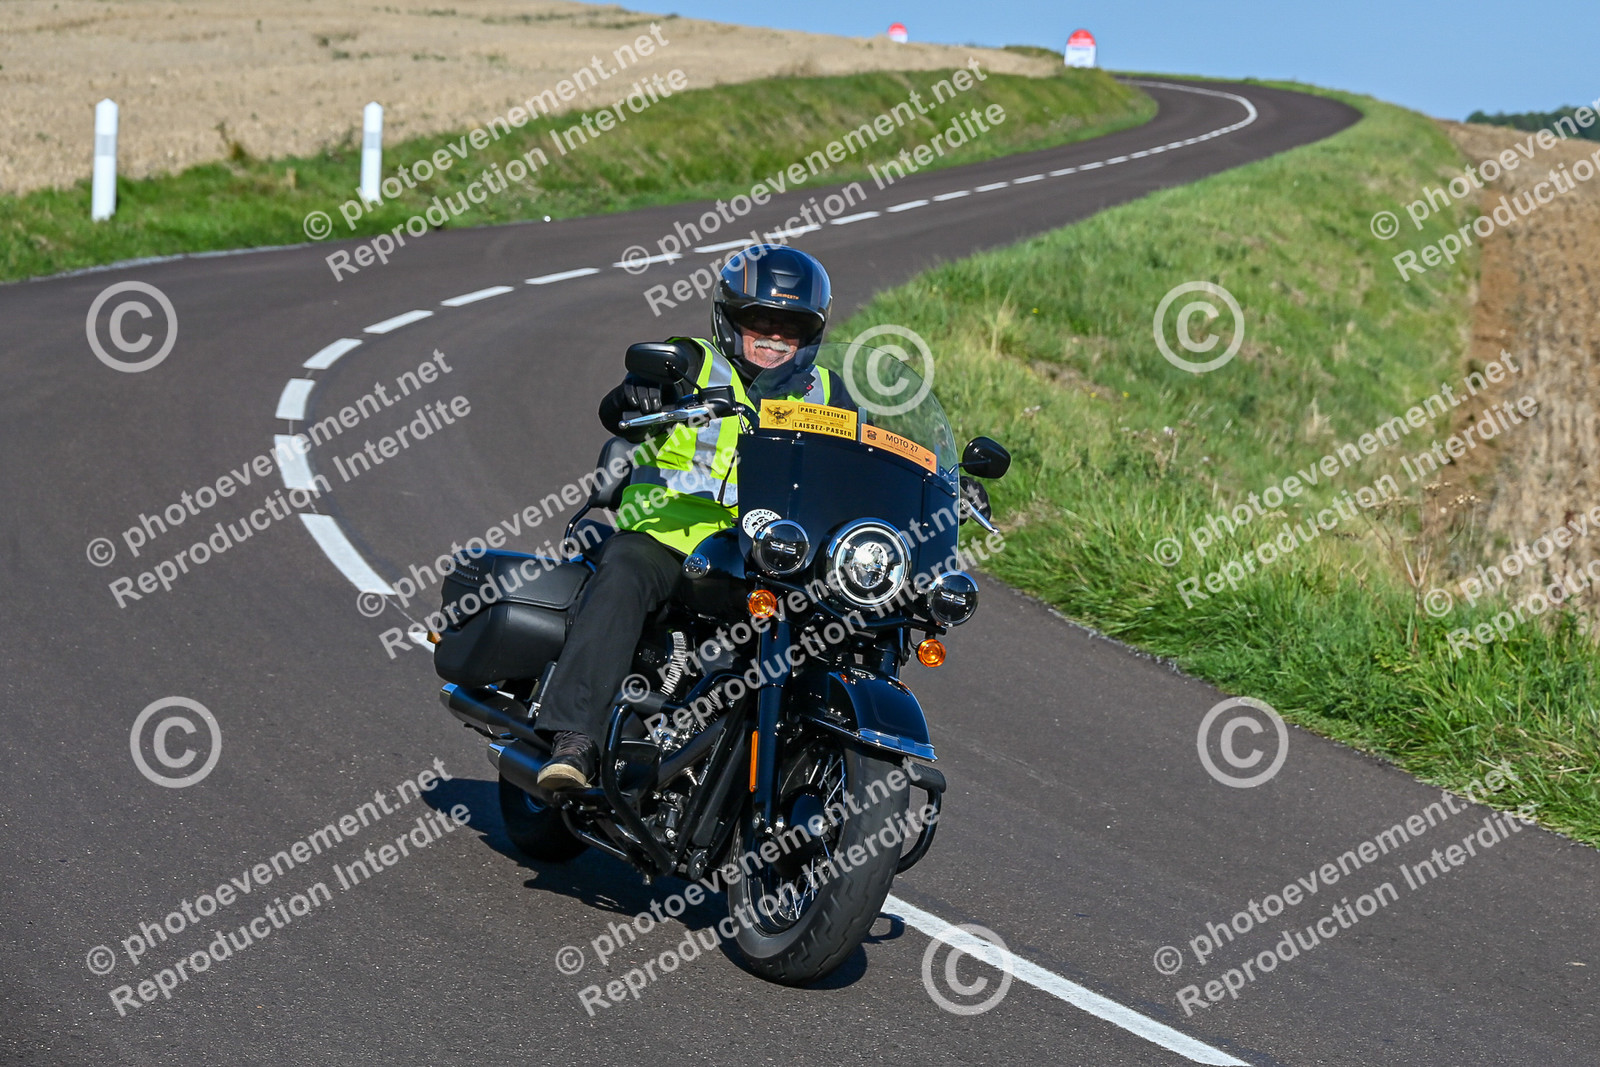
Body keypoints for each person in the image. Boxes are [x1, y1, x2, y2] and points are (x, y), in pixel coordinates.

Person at [535, 244, 853, 790]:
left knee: (834, 619)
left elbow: (870, 456)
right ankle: (575, 739)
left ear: (811, 335)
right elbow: (616, 409)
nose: (774, 337)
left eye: (791, 327)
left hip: (760, 559)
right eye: (760, 320)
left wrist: (945, 486)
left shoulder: (828, 393)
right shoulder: (691, 362)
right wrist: (636, 391)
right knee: (625, 573)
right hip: (666, 541)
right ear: (730, 319)